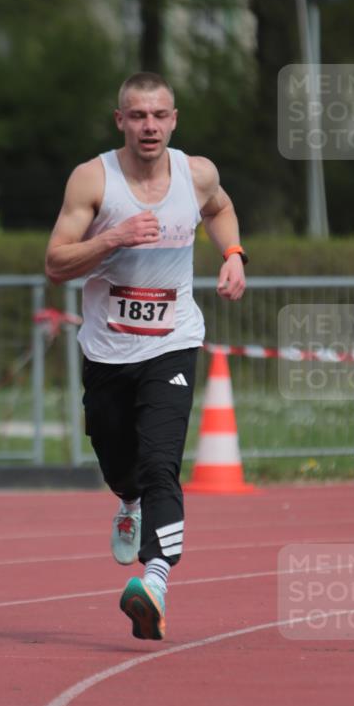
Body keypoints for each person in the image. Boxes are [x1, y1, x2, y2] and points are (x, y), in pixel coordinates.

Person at [45, 71, 247, 640]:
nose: (149, 126)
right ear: (121, 122)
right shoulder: (94, 180)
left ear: (174, 120)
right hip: (108, 352)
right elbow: (56, 263)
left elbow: (220, 208)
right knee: (117, 461)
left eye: (159, 115)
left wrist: (233, 253)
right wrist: (114, 237)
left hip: (173, 344)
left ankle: (154, 582)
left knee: (162, 463)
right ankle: (127, 499)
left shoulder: (196, 172)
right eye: (138, 116)